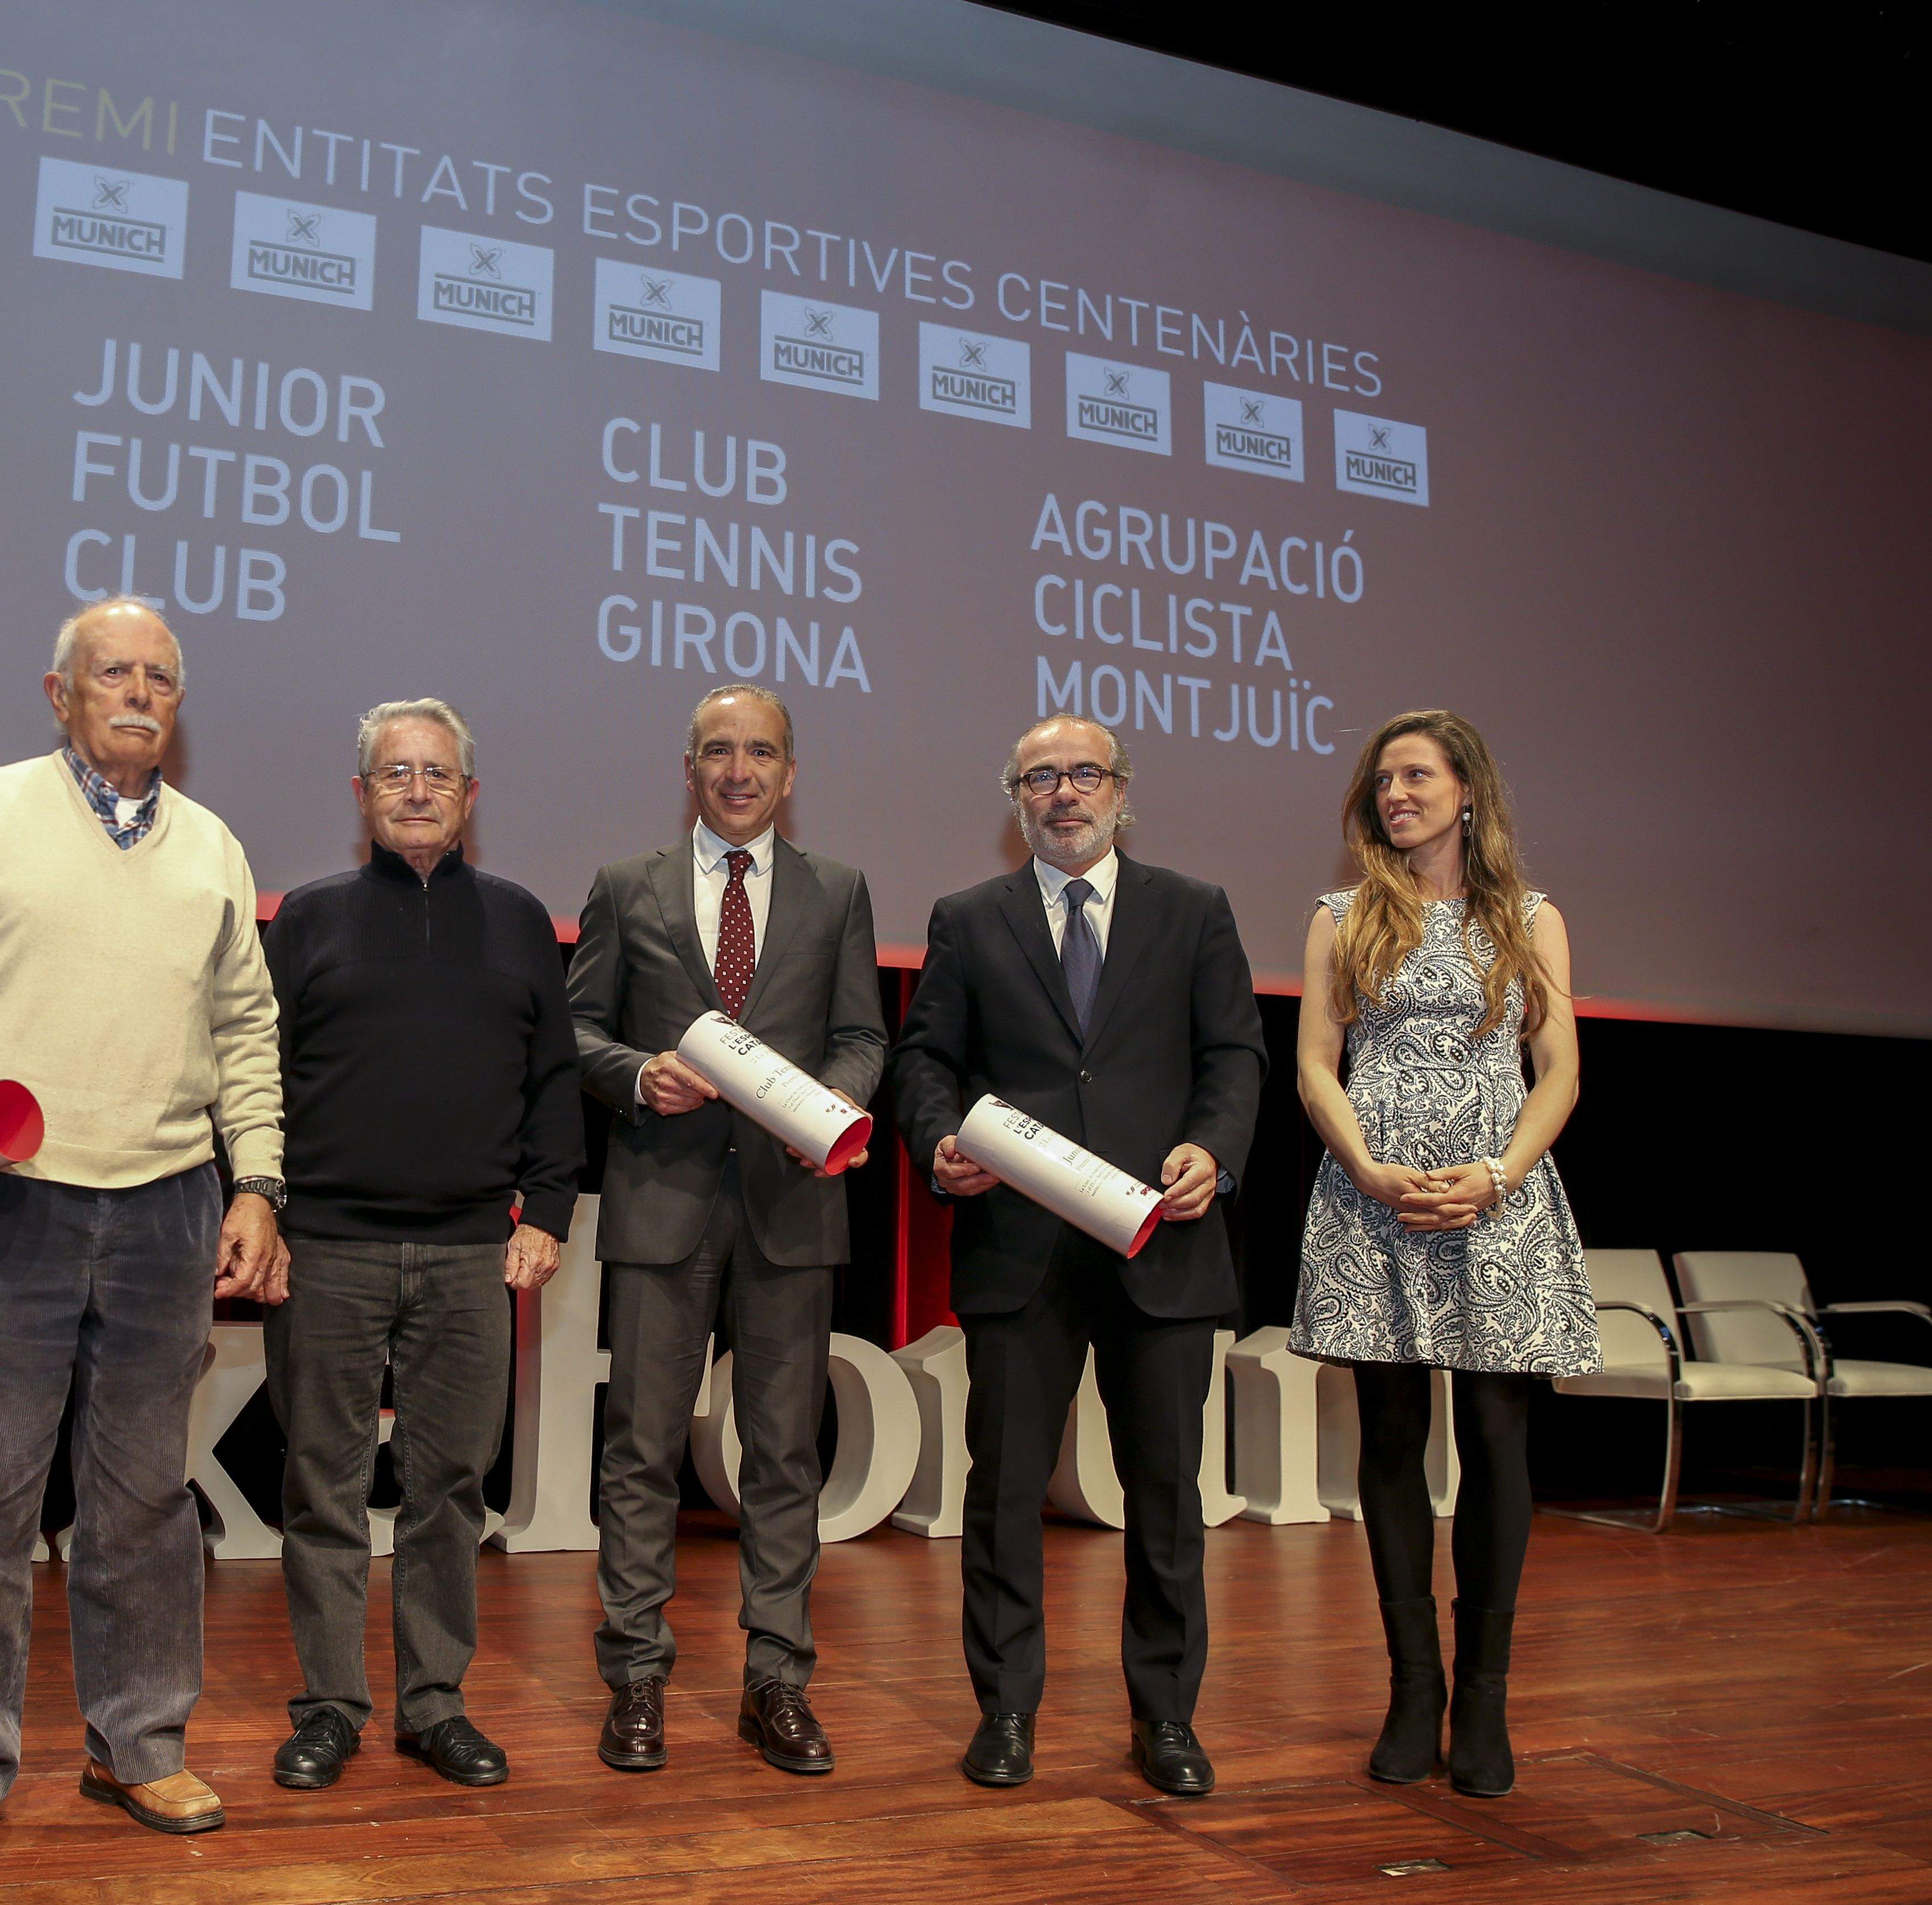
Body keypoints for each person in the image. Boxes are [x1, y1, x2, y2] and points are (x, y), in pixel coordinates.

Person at [0, 595, 290, 1870]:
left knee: (143, 1500)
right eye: (110, 672)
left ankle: (139, 1746)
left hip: (167, 1208)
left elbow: (247, 1035)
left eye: (158, 678)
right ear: (58, 693)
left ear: (177, 704)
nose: (136, 692)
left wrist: (257, 1184)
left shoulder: (211, 847)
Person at [893, 716, 1265, 1797]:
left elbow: (1234, 1053)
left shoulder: (1194, 910)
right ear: (1016, 796)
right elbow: (928, 1060)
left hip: (1165, 1242)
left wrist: (1215, 1150)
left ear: (1121, 790)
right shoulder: (970, 918)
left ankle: (1167, 1718)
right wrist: (938, 1139)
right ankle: (1006, 1711)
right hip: (1021, 1250)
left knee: (1165, 1497)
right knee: (1004, 1491)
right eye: (1043, 777)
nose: (1066, 793)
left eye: (1085, 774)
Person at [259, 698, 582, 1792]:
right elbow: (257, 1078)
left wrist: (547, 1210)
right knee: (322, 1488)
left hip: (467, 1256)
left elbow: (551, 1083)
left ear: (468, 796)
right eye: (394, 774)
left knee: (450, 1488)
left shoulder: (520, 919)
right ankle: (328, 1708)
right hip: (327, 1249)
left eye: (436, 774)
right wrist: (258, 1202)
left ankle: (434, 1704)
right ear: (360, 796)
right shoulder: (305, 917)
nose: (415, 789)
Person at [566, 682, 887, 1776]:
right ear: (690, 770)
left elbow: (859, 1035)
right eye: (717, 752)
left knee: (785, 1455)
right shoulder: (625, 888)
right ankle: (635, 1680)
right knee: (641, 1451)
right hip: (660, 1204)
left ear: (788, 773)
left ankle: (776, 1683)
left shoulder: (837, 891)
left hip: (793, 1206)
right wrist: (633, 1073)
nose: (738, 771)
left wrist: (825, 1112)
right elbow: (574, 1031)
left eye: (759, 753)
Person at [1288, 709, 1595, 1800]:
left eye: (1415, 776)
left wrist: (1501, 1172)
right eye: (1382, 782)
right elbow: (1316, 1065)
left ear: (1468, 790)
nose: (1395, 795)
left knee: (1500, 1447)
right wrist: (1368, 1165)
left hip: (1496, 1199)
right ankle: (1413, 1690)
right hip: (1377, 1199)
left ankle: (1487, 1700)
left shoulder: (1529, 916)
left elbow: (1557, 1069)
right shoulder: (1341, 916)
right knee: (1390, 1438)